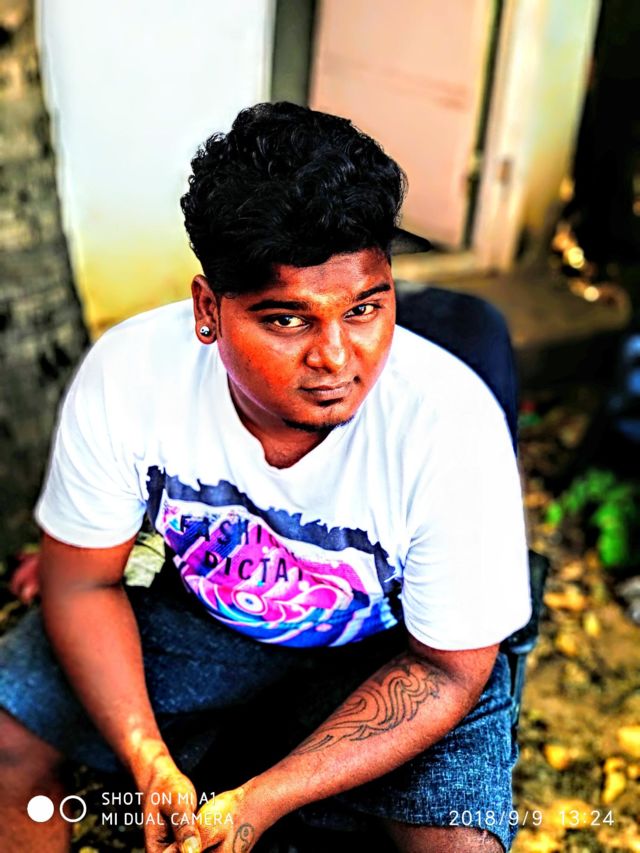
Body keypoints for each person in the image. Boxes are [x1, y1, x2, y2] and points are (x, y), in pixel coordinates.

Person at [0, 102, 531, 853]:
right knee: (7, 739)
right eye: (288, 319)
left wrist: (265, 797)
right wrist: (147, 758)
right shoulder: (129, 377)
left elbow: (448, 671)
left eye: (364, 309)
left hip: (392, 646)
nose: (337, 358)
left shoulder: (450, 423)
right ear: (208, 309)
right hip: (203, 620)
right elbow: (80, 582)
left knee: (460, 845)